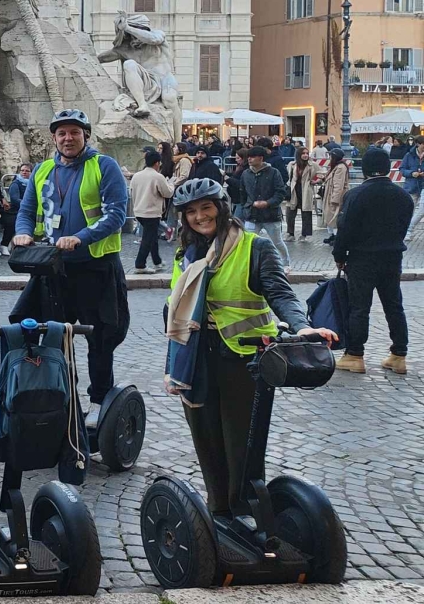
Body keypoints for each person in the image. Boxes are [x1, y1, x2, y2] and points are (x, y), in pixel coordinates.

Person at [163, 178, 334, 520]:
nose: (199, 217)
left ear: (222, 208)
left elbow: (280, 293)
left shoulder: (255, 246)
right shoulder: (187, 253)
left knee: (240, 442)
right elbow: (176, 305)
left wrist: (302, 326)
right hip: (196, 358)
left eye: (206, 208)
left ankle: (244, 513)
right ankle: (218, 511)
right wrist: (174, 355)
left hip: (244, 357)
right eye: (191, 212)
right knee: (206, 437)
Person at [12, 109, 130, 412]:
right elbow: (27, 211)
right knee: (53, 337)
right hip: (54, 268)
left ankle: (100, 401)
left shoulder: (104, 166)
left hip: (96, 267)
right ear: (54, 138)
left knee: (100, 339)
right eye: (62, 133)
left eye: (74, 132)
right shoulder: (42, 170)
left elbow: (116, 214)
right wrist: (23, 233)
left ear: (85, 136)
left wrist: (81, 237)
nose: (68, 138)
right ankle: (63, 399)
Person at [332, 146, 411, 374]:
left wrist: (340, 256)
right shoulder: (403, 196)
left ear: (365, 169)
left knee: (359, 307)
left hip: (362, 258)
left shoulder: (356, 195)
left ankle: (355, 355)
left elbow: (345, 229)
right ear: (388, 168)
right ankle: (399, 354)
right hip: (392, 257)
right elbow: (403, 228)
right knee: (394, 305)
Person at [238, 147, 290, 269]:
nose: (249, 159)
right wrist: (246, 206)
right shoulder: (246, 173)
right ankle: (249, 265)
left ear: (261, 158)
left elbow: (280, 192)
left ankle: (285, 263)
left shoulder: (273, 172)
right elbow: (242, 192)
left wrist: (268, 203)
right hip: (252, 214)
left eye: (252, 157)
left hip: (270, 215)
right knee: (248, 242)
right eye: (248, 157)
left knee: (277, 241)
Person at [130, 151, 175, 271]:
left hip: (139, 210)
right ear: (157, 163)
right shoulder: (158, 177)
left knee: (152, 236)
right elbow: (168, 193)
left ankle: (157, 261)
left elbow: (131, 192)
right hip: (151, 212)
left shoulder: (136, 176)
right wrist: (171, 183)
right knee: (148, 239)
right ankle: (140, 264)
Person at [285, 147, 317, 240]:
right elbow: (288, 176)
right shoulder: (292, 164)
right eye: (303, 153)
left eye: (307, 153)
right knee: (290, 212)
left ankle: (304, 235)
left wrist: (316, 181)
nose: (305, 155)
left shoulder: (312, 165)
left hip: (306, 190)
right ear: (299, 155)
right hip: (293, 190)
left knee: (306, 212)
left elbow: (322, 173)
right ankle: (290, 234)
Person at [320, 147, 350, 239]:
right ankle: (332, 235)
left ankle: (337, 237)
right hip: (330, 194)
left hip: (334, 196)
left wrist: (335, 199)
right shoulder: (335, 166)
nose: (329, 158)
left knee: (334, 217)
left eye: (331, 156)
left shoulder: (340, 167)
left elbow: (338, 185)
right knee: (329, 216)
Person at [5, 162, 33, 229]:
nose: (24, 172)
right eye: (22, 170)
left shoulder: (33, 183)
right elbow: (15, 200)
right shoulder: (15, 184)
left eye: (27, 171)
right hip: (17, 211)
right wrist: (29, 205)